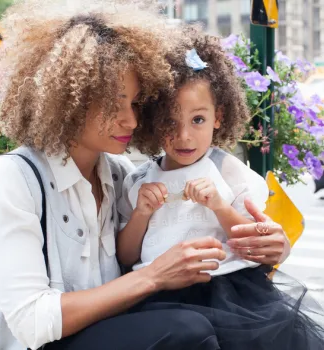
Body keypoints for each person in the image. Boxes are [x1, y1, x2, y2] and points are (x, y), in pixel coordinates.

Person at [0, 1, 291, 349]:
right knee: (188, 329)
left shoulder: (121, 176)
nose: (132, 121)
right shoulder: (11, 179)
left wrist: (272, 246)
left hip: (112, 331)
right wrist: (155, 277)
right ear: (68, 100)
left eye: (136, 104)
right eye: (115, 104)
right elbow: (33, 323)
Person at [118, 29, 324, 349]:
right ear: (153, 123)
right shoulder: (138, 180)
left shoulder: (229, 172)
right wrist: (142, 214)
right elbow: (127, 255)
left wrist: (219, 205)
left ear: (218, 117)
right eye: (170, 122)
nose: (184, 136)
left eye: (197, 120)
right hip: (157, 300)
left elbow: (251, 243)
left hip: (229, 296)